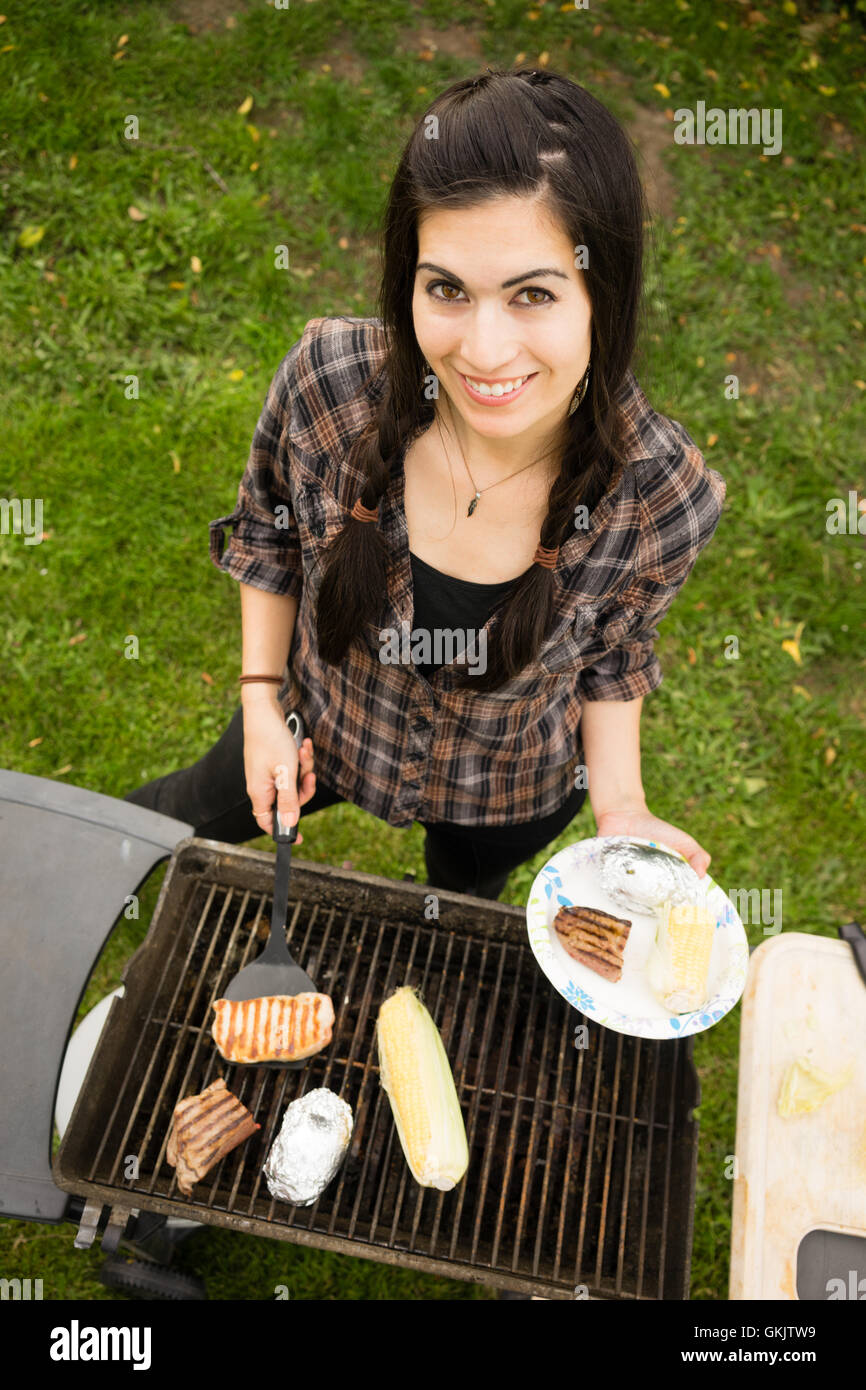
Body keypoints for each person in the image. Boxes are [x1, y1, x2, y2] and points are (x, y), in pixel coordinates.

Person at [124, 66, 726, 902]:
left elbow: (615, 657)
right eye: (446, 288)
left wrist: (621, 805)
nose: (482, 352)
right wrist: (261, 699)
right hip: (315, 726)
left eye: (532, 295)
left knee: (456, 915)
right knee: (171, 818)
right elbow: (268, 534)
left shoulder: (665, 494)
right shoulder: (329, 381)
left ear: (604, 293)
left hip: (502, 791)